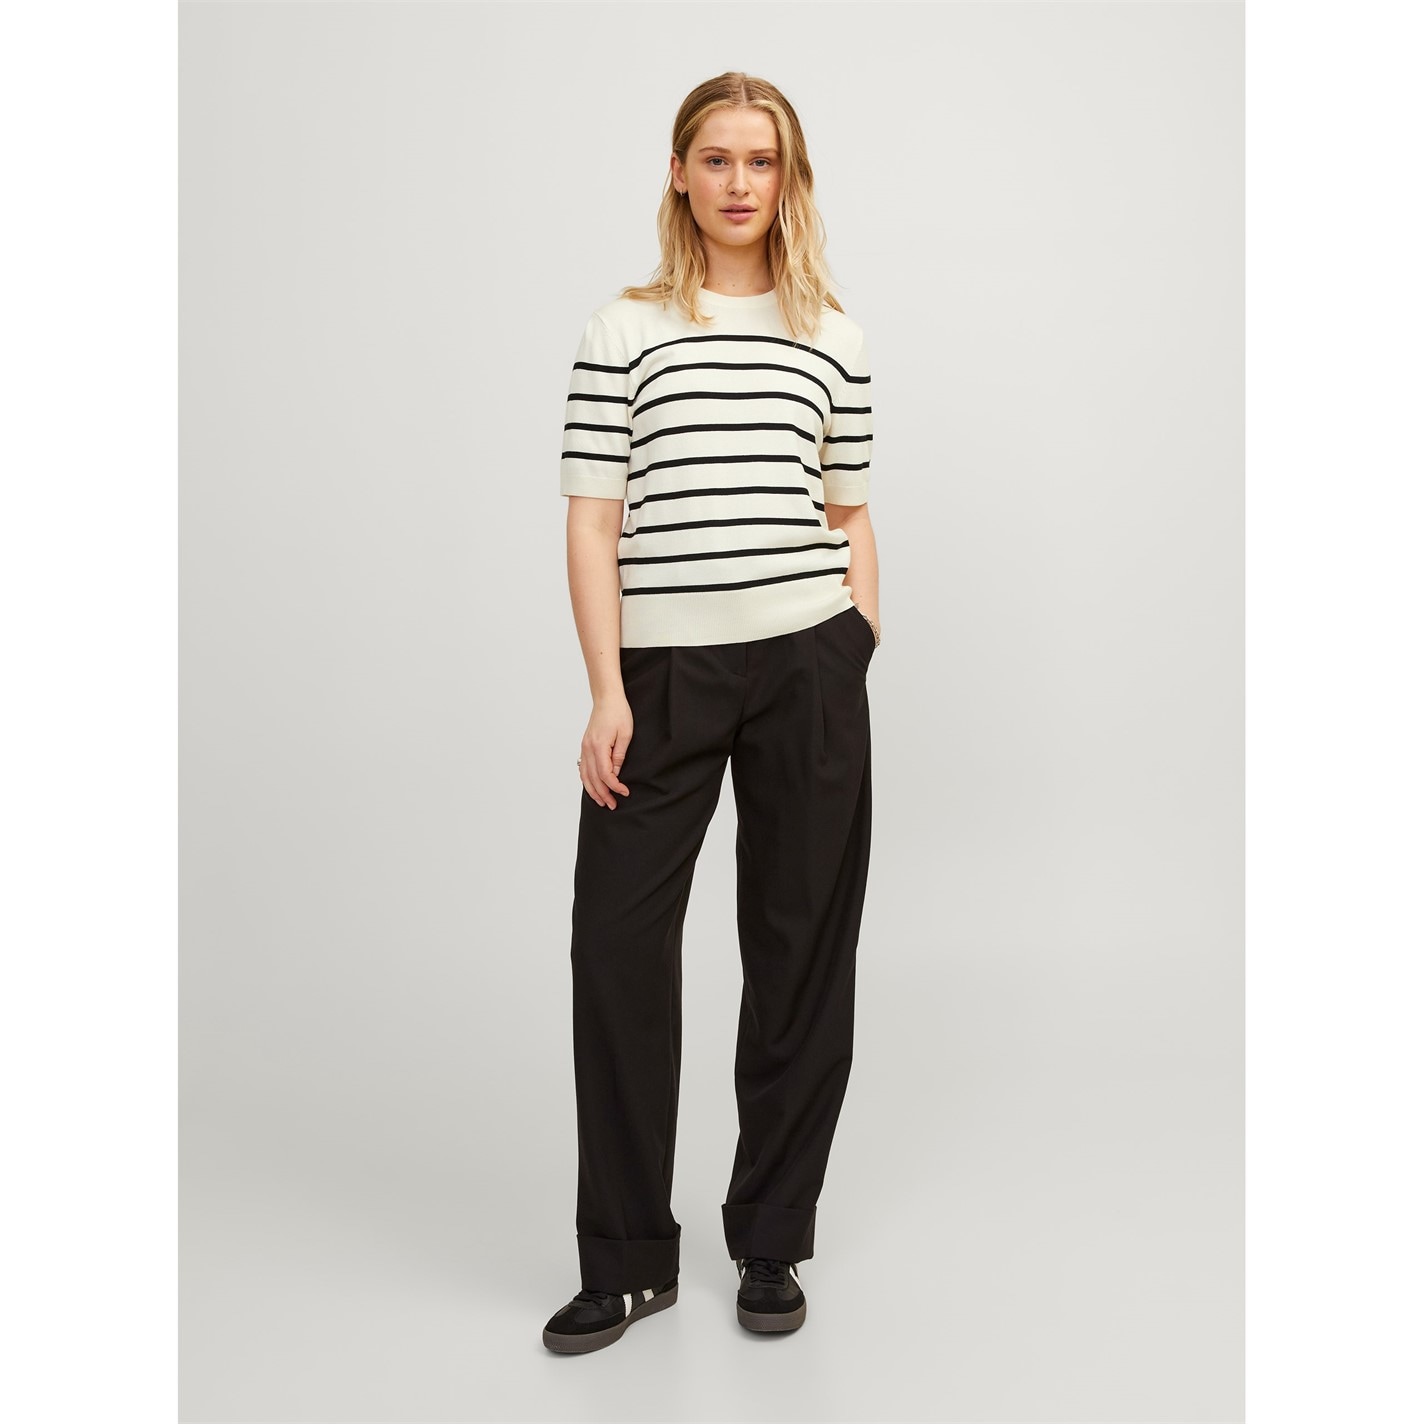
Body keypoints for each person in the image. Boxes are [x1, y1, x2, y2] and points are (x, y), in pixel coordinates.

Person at [542, 70, 880, 1355]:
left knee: (800, 951)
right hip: (666, 678)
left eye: (763, 160)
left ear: (790, 181)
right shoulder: (624, 328)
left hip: (807, 668)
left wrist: (854, 641)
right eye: (718, 158)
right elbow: (593, 520)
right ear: (680, 174)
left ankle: (771, 1238)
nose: (741, 182)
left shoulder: (832, 336)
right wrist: (606, 689)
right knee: (617, 950)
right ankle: (627, 1258)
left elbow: (849, 508)